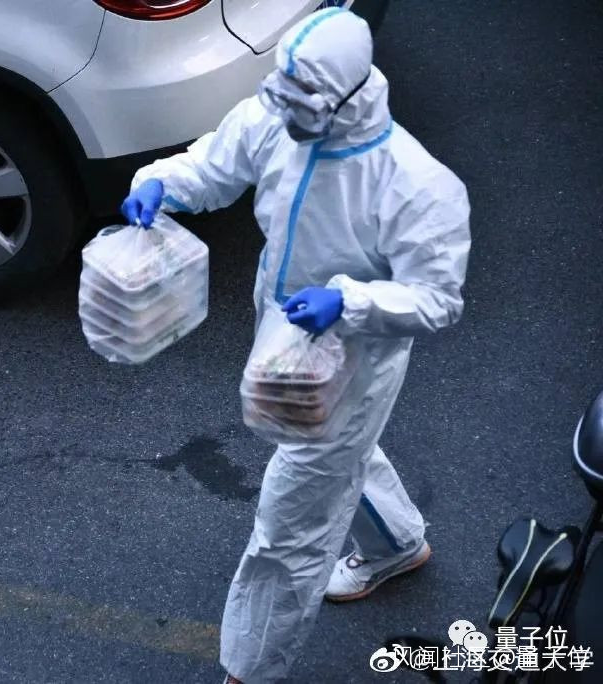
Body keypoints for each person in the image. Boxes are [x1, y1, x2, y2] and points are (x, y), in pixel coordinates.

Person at [121, 8, 470, 683]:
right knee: (342, 455)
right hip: (285, 342)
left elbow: (437, 299)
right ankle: (396, 545)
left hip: (354, 365)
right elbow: (213, 164)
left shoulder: (416, 184)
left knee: (289, 530)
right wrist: (162, 184)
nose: (284, 109)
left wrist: (351, 303)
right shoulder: (277, 116)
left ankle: (249, 670)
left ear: (347, 94)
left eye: (302, 98)